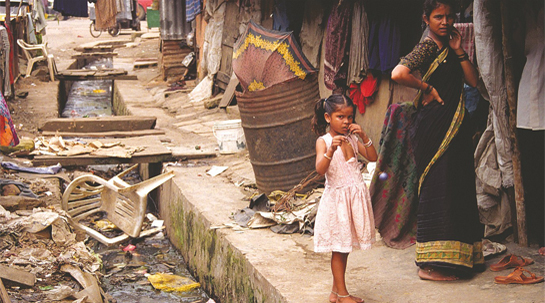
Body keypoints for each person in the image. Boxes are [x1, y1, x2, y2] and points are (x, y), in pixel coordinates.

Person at [390, 0, 484, 281]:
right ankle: (432, 265)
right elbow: (398, 73)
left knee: (457, 184)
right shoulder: (428, 46)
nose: (445, 21)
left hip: (455, 125)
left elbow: (474, 82)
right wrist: (426, 87)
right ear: (426, 19)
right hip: (434, 125)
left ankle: (460, 256)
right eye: (438, 17)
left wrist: (458, 51)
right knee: (439, 186)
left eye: (449, 16)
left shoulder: (448, 45)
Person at [311, 94, 377, 303]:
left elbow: (373, 156)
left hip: (353, 200)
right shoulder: (324, 141)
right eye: (341, 117)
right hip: (338, 203)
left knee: (344, 248)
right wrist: (331, 150)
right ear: (328, 117)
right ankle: (343, 294)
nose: (347, 122)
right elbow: (320, 170)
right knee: (339, 250)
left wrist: (364, 135)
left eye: (350, 117)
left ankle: (334, 292)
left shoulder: (352, 139)